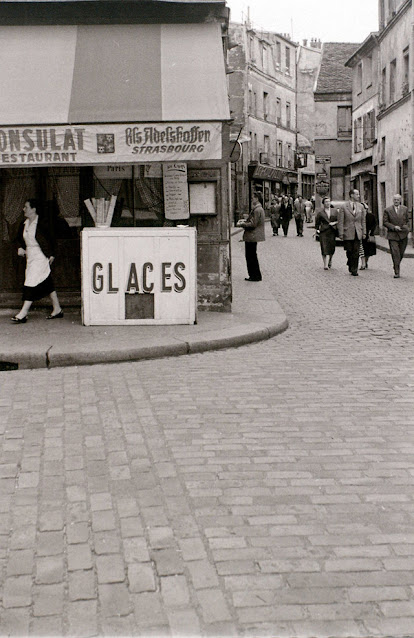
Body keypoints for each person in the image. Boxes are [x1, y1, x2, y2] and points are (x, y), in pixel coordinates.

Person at [11, 199, 63, 323]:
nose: (24, 209)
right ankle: (57, 309)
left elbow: (52, 239)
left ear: (34, 209)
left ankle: (23, 313)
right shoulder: (24, 223)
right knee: (46, 280)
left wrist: (52, 254)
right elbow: (18, 239)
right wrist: (20, 247)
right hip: (30, 256)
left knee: (31, 280)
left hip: (41, 255)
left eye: (26, 207)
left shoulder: (43, 223)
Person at [337, 189, 366, 276]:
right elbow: (340, 221)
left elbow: (363, 220)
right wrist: (341, 233)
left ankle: (354, 269)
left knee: (356, 251)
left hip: (358, 232)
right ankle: (350, 262)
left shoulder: (361, 206)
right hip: (347, 232)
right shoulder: (344, 206)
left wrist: (364, 232)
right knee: (349, 250)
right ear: (352, 195)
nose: (358, 196)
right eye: (357, 194)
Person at [237, 192, 265, 281]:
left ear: (257, 198)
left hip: (252, 236)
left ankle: (254, 276)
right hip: (253, 236)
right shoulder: (259, 209)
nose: (252, 199)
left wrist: (242, 224)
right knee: (252, 255)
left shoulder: (257, 210)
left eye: (253, 198)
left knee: (250, 256)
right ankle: (255, 275)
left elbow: (253, 224)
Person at [383, 194, 411, 278]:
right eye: (395, 199)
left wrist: (407, 227)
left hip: (403, 234)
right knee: (395, 253)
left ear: (400, 200)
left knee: (401, 253)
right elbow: (385, 222)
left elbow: (407, 220)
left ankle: (396, 263)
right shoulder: (387, 210)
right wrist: (393, 227)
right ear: (393, 200)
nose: (396, 201)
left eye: (397, 200)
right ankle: (397, 270)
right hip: (393, 235)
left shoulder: (405, 209)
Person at [315, 196, 338, 270]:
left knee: (332, 247)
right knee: (324, 247)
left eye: (329, 201)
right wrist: (317, 230)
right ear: (323, 204)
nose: (328, 203)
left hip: (332, 231)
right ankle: (325, 264)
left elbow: (339, 220)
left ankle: (330, 260)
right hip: (324, 232)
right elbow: (317, 223)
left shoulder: (334, 211)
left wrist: (334, 223)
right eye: (326, 202)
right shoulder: (320, 213)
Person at [360, 203, 377, 269]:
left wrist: (371, 232)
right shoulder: (359, 216)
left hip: (369, 234)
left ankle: (366, 261)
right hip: (361, 234)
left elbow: (374, 224)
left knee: (368, 251)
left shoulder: (371, 216)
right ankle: (363, 263)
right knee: (362, 250)